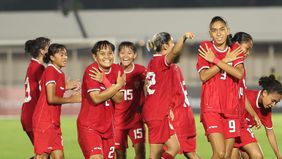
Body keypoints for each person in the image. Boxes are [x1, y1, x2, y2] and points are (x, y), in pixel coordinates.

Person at [197, 16, 245, 159]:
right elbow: (204, 76)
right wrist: (225, 61)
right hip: (211, 107)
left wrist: (216, 60)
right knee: (220, 153)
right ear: (210, 33)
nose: (218, 33)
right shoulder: (206, 47)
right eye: (214, 30)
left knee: (227, 156)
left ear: (228, 31)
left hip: (231, 108)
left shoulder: (235, 48)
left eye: (222, 29)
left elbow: (239, 74)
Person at [143, 32, 195, 159]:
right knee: (163, 151)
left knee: (168, 149)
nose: (174, 45)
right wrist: (183, 38)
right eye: (172, 43)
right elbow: (175, 52)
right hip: (156, 113)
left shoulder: (153, 62)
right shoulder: (161, 61)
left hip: (158, 112)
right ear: (165, 46)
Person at [77, 40, 126, 159]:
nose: (107, 57)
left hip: (108, 128)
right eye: (102, 53)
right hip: (90, 126)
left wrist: (105, 81)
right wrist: (117, 86)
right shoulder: (91, 70)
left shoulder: (118, 70)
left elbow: (119, 99)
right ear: (95, 56)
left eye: (110, 53)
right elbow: (96, 98)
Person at [32, 43, 81, 159]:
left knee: (59, 156)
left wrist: (66, 86)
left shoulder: (59, 73)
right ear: (52, 57)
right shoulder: (50, 71)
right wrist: (71, 99)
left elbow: (55, 90)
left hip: (54, 122)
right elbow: (51, 98)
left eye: (66, 54)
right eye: (61, 54)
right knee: (42, 156)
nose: (65, 57)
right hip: (44, 121)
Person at [229, 32, 263, 159]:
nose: (248, 53)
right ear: (237, 44)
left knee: (257, 156)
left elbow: (241, 95)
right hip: (230, 119)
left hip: (241, 120)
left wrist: (254, 114)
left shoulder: (241, 68)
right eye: (247, 48)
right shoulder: (227, 64)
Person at [235, 75, 282, 159]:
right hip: (232, 130)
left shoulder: (266, 110)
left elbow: (270, 133)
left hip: (244, 133)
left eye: (276, 102)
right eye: (273, 101)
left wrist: (278, 155)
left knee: (257, 156)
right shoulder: (247, 96)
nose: (273, 105)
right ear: (264, 93)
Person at [114, 41, 146, 159]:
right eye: (122, 53)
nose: (126, 56)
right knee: (121, 156)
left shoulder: (141, 71)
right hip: (118, 122)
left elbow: (151, 86)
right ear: (118, 54)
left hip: (135, 120)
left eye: (129, 53)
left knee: (141, 154)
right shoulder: (114, 71)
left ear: (135, 55)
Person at [21, 37, 50, 153]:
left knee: (44, 153)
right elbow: (46, 91)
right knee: (43, 153)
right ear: (42, 51)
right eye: (49, 48)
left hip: (29, 114)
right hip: (33, 115)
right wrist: (64, 87)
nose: (51, 51)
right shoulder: (39, 68)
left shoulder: (32, 65)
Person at [170, 55, 201, 159]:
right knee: (190, 153)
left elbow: (166, 92)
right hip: (187, 115)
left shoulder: (168, 69)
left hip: (176, 116)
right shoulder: (176, 68)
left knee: (164, 151)